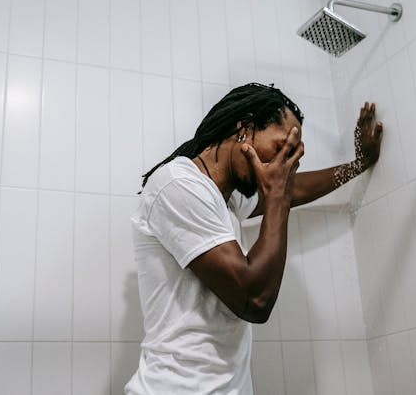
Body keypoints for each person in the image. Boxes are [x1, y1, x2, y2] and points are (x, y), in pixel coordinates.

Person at [125, 82, 383, 394]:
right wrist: (278, 195)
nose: (283, 165)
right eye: (280, 149)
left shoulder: (226, 200)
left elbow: (297, 189)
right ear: (244, 130)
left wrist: (358, 165)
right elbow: (254, 300)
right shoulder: (177, 185)